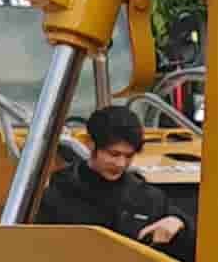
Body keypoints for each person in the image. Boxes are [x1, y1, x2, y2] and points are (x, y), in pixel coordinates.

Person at [36, 102, 186, 248]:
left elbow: (186, 234)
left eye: (129, 156)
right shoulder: (56, 194)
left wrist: (177, 222)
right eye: (114, 154)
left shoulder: (147, 197)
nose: (121, 163)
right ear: (91, 144)